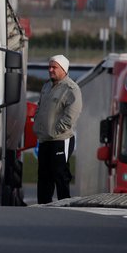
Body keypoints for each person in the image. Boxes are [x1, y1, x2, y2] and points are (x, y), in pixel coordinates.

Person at [32, 54, 82, 204]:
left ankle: (64, 206)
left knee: (60, 174)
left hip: (60, 139)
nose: (50, 70)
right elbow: (40, 107)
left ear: (63, 69)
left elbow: (72, 114)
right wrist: (38, 125)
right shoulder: (46, 85)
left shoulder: (71, 89)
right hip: (45, 139)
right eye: (49, 66)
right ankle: (42, 206)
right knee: (43, 176)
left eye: (54, 67)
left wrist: (55, 130)